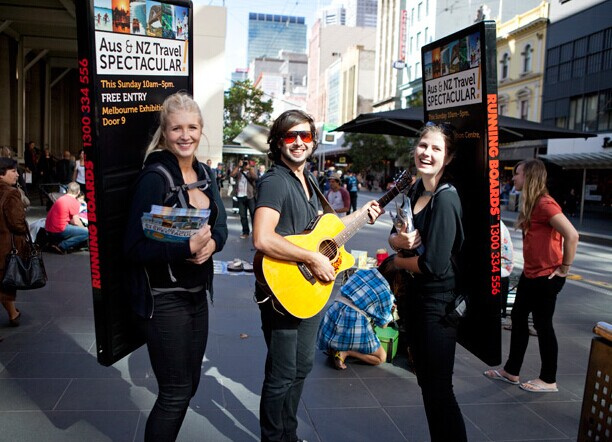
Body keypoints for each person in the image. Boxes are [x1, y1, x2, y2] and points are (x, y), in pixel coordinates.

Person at [253, 109, 383, 442]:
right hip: (282, 290)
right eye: (290, 136)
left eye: (305, 136)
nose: (298, 142)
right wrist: (311, 257)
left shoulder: (308, 179)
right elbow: (263, 238)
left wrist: (361, 215)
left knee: (301, 367)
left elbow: (327, 231)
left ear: (313, 140)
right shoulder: (275, 180)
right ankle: (273, 437)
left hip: (311, 291)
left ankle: (289, 433)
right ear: (278, 141)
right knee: (281, 374)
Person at [124, 92, 227, 442]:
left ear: (201, 130)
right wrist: (185, 248)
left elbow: (223, 228)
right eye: (177, 128)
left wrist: (211, 245)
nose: (186, 135)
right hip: (163, 299)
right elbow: (133, 246)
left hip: (197, 297)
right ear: (165, 133)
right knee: (175, 393)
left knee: (190, 385)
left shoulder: (206, 174)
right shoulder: (155, 177)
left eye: (192, 127)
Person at [388, 122, 467, 441]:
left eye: (436, 148)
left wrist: (396, 260)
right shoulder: (417, 190)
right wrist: (398, 243)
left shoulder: (446, 199)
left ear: (447, 157)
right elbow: (395, 236)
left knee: (439, 390)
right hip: (417, 303)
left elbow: (434, 264)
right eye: (423, 145)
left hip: (438, 307)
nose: (427, 153)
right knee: (428, 388)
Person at [484, 159, 578, 393]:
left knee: (542, 325)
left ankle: (549, 379)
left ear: (529, 177)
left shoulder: (545, 204)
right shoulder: (533, 204)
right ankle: (511, 371)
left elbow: (572, 235)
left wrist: (564, 268)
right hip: (531, 275)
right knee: (518, 318)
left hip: (547, 277)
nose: (513, 178)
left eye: (517, 174)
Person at [317, 254, 401, 370]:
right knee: (381, 357)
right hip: (352, 322)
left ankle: (336, 346)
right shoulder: (386, 294)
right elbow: (383, 325)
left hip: (332, 316)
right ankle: (347, 352)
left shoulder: (363, 272)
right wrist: (390, 311)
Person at [0, 158, 28, 327]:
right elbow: (17, 223)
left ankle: (13, 314)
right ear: (2, 173)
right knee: (5, 284)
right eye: (13, 171)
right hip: (5, 248)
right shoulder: (11, 193)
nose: (17, 174)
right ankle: (13, 314)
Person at [44, 182, 89, 253]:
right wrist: (84, 228)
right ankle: (62, 246)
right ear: (78, 192)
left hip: (48, 228)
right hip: (59, 229)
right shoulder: (74, 201)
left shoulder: (61, 198)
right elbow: (75, 222)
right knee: (87, 233)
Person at [230, 158, 257, 239]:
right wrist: (238, 166)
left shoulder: (252, 171)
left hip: (250, 196)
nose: (245, 165)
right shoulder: (239, 172)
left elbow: (255, 177)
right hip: (240, 196)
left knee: (253, 215)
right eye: (244, 163)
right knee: (243, 216)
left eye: (247, 163)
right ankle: (245, 232)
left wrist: (250, 169)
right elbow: (232, 175)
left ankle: (255, 231)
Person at [500, 220, 514, 326]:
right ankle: (502, 313)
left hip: (502, 269)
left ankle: (501, 314)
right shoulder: (500, 224)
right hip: (503, 268)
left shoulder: (498, 225)